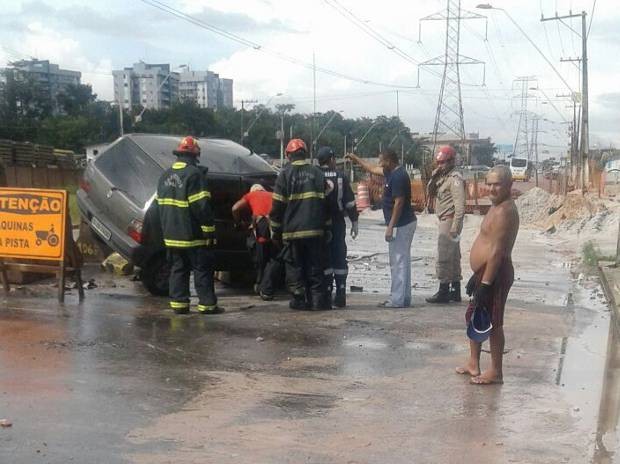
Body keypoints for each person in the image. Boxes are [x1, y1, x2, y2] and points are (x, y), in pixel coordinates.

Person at [456, 165, 519, 385]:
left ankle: (496, 371)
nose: (491, 188)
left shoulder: (505, 211)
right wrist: (478, 275)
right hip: (485, 271)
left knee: (493, 321)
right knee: (475, 315)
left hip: (496, 273)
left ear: (509, 185)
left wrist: (485, 283)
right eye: (489, 183)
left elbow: (497, 251)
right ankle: (473, 362)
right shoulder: (496, 206)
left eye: (497, 184)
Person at [156, 135, 222, 315]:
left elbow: (158, 207)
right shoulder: (194, 175)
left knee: (178, 269)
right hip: (192, 235)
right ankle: (207, 305)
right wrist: (209, 231)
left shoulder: (165, 175)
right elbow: (201, 206)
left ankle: (179, 304)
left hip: (171, 235)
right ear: (195, 155)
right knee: (202, 269)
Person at [346, 149, 416, 308]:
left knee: (397, 261)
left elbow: (399, 203)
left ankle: (397, 300)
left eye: (382, 161)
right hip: (403, 222)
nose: (380, 164)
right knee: (403, 261)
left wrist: (390, 226)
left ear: (390, 161)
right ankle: (403, 297)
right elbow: (371, 168)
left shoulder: (398, 177)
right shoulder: (391, 172)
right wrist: (355, 157)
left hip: (401, 223)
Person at [269, 139, 330, 310]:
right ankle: (317, 301)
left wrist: (275, 229)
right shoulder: (318, 173)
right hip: (315, 230)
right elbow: (325, 203)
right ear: (306, 153)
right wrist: (327, 226)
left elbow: (277, 206)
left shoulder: (284, 175)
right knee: (315, 265)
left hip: (293, 232)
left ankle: (299, 299)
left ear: (288, 156)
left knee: (295, 266)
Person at [317, 146, 359, 307]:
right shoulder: (341, 176)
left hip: (320, 223)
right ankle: (340, 293)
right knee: (339, 256)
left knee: (324, 258)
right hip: (337, 222)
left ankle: (327, 293)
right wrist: (354, 222)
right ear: (332, 159)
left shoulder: (315, 175)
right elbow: (349, 203)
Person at [425, 146, 466, 303]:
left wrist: (455, 226)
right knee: (454, 257)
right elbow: (431, 193)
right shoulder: (443, 177)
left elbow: (460, 205)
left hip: (449, 220)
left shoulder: (455, 179)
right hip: (445, 219)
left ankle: (443, 291)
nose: (440, 165)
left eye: (443, 162)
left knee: (443, 256)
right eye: (438, 162)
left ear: (451, 161)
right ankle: (455, 291)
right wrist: (433, 178)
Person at [231, 184, 275, 296]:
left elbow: (235, 208)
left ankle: (263, 287)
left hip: (261, 228)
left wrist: (238, 223)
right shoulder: (273, 195)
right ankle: (265, 286)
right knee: (273, 258)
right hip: (274, 228)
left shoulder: (251, 195)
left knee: (261, 258)